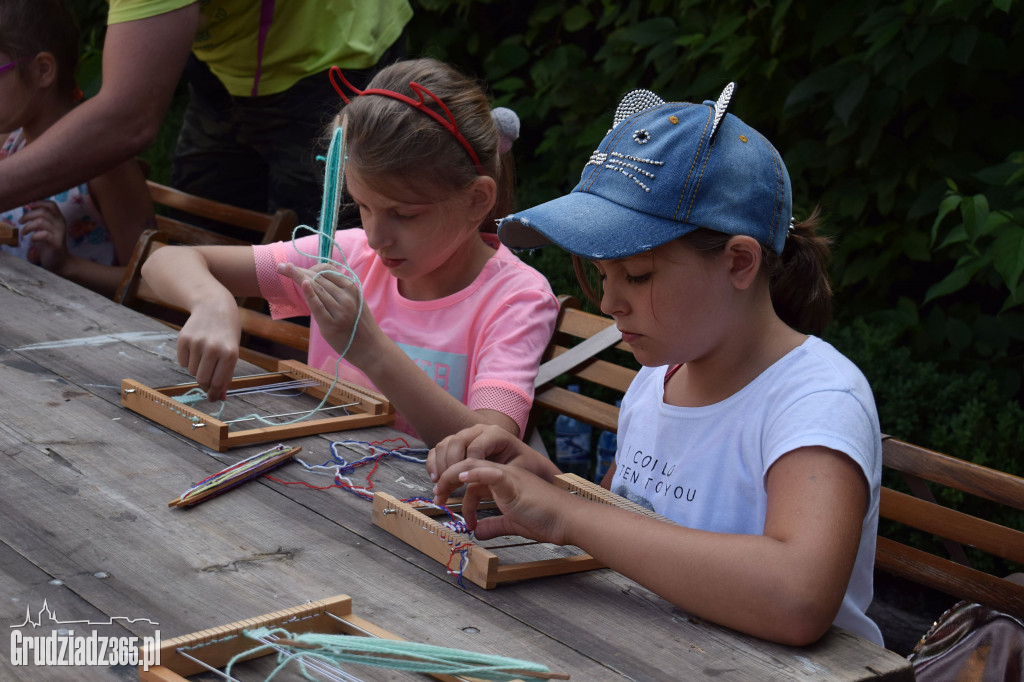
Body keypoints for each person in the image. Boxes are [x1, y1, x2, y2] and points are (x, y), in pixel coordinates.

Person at [428, 86, 884, 647]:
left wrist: (570, 518)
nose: (608, 302)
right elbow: (636, 522)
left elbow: (798, 597)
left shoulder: (816, 400)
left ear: (739, 261)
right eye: (601, 274)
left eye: (637, 276)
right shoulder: (658, 378)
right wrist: (554, 490)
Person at [140, 58, 560, 447]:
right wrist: (212, 302)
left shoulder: (515, 299)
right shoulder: (346, 255)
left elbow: (491, 444)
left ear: (476, 200)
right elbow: (162, 262)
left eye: (404, 214)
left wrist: (371, 349)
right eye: (363, 206)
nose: (377, 237)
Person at [0, 1, 413, 228]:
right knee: (199, 246)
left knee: (315, 274)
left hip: (333, 62)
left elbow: (127, 118)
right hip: (228, 66)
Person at [0, 0, 153, 298]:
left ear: (43, 70)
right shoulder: (9, 142)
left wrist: (68, 264)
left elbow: (154, 281)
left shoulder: (105, 162)